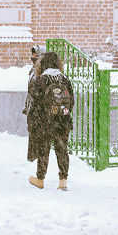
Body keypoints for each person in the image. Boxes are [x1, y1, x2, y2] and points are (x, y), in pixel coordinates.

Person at [26, 50, 74, 191]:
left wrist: (34, 122)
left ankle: (40, 179)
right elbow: (71, 102)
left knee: (44, 150)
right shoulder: (64, 79)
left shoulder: (41, 80)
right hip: (63, 120)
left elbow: (35, 103)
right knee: (62, 149)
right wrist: (62, 113)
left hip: (45, 122)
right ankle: (63, 182)